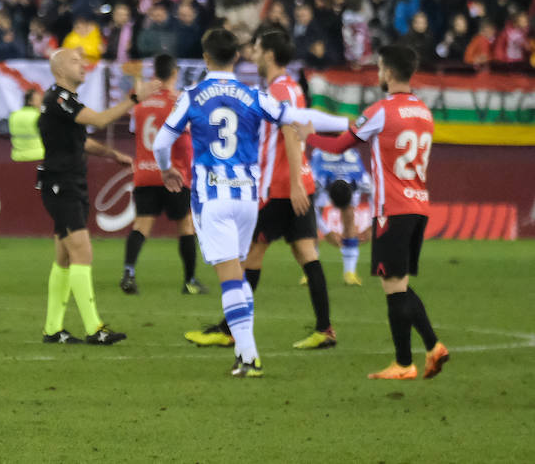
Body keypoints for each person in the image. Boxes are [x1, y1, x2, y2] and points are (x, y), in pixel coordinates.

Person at [153, 28, 349, 377]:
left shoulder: (193, 95)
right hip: (247, 198)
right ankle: (245, 353)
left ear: (206, 57)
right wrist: (348, 124)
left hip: (213, 196)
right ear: (237, 58)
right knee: (240, 275)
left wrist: (167, 170)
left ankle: (249, 356)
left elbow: (161, 143)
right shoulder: (253, 94)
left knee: (231, 277)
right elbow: (299, 119)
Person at [306, 45, 448, 380]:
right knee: (400, 284)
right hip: (418, 206)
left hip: (392, 209)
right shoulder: (425, 112)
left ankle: (405, 362)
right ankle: (429, 349)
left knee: (394, 288)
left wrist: (307, 136)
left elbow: (341, 144)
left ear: (386, 70)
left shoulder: (382, 110)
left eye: (380, 68)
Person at [36, 48, 138, 346]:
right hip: (61, 183)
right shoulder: (59, 98)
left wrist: (111, 153)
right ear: (58, 69)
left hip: (67, 182)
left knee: (65, 256)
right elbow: (102, 120)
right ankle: (95, 328)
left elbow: (81, 141)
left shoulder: (66, 102)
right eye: (74, 61)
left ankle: (53, 329)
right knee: (82, 251)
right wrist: (133, 99)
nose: (82, 65)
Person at [121, 53, 202, 296]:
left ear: (155, 72)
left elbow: (136, 132)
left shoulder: (141, 102)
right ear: (175, 72)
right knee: (185, 225)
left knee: (142, 224)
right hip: (173, 173)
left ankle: (129, 272)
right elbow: (186, 138)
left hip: (145, 172)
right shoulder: (179, 101)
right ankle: (189, 281)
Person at [309, 146, 373, 284]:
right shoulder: (316, 178)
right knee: (311, 222)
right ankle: (310, 272)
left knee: (349, 215)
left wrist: (373, 226)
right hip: (324, 163)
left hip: (349, 167)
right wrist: (326, 232)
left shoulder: (363, 180)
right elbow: (309, 207)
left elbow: (377, 198)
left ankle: (350, 273)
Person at [8, 89, 44, 162]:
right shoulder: (38, 116)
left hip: (17, 156)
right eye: (39, 100)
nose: (41, 102)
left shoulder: (14, 115)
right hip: (39, 155)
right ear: (30, 102)